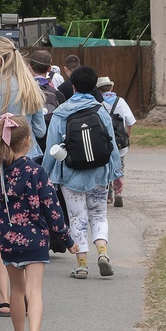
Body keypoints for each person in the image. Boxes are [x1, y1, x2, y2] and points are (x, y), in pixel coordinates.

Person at [0, 114, 77, 331]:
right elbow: (52, 208)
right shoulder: (36, 172)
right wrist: (66, 239)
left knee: (16, 291)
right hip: (36, 238)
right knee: (34, 292)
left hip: (8, 239)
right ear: (27, 141)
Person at [0, 36, 46, 318]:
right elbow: (39, 129)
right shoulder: (30, 86)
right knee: (30, 223)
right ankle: (30, 292)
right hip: (30, 160)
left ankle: (6, 298)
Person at [42, 66, 123, 280]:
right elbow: (111, 144)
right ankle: (103, 253)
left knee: (77, 217)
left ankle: (81, 265)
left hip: (71, 174)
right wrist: (117, 174)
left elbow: (52, 148)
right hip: (99, 173)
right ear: (94, 86)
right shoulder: (101, 110)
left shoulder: (61, 112)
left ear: (74, 86)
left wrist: (45, 176)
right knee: (98, 214)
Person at [97, 76, 136, 207]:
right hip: (120, 142)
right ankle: (119, 192)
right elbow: (130, 121)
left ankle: (108, 195)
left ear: (99, 90)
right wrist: (127, 136)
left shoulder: (99, 104)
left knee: (106, 167)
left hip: (104, 143)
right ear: (112, 87)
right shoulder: (121, 102)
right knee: (120, 166)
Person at [28, 49, 65, 154]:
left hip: (27, 144)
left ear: (29, 66)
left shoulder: (20, 91)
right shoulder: (58, 95)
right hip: (51, 144)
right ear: (49, 68)